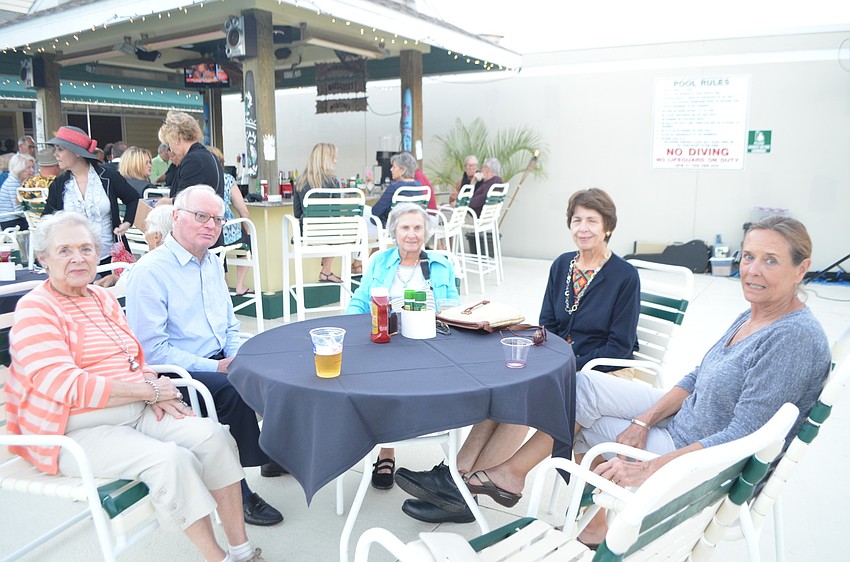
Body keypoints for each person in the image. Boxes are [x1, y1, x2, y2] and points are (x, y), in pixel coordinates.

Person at [398, 216, 832, 541]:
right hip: (686, 419)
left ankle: (515, 491)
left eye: (770, 261)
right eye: (749, 256)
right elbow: (698, 375)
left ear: (802, 268)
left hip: (702, 456)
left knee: (581, 425)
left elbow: (743, 435)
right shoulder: (755, 313)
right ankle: (503, 483)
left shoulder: (793, 339)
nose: (752, 270)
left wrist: (650, 468)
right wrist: (643, 420)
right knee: (575, 389)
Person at [6, 211, 266, 562]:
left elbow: (134, 357)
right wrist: (147, 392)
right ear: (43, 259)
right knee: (170, 460)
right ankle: (217, 558)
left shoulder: (102, 299)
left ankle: (242, 550)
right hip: (74, 429)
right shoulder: (36, 310)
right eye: (64, 250)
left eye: (85, 248)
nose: (78, 258)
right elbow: (64, 384)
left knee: (213, 437)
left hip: (135, 410)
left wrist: (152, 384)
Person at [395, 188, 641, 524]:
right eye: (576, 220)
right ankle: (458, 477)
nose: (582, 228)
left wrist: (566, 364)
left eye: (591, 221)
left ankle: (461, 486)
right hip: (559, 360)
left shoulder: (624, 276)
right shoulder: (562, 265)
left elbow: (620, 347)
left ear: (608, 226)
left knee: (532, 393)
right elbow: (547, 324)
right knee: (509, 384)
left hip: (600, 371)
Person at [125, 184, 284, 527]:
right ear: (176, 216)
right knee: (233, 389)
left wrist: (237, 357)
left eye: (217, 218)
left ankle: (271, 453)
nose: (211, 225)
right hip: (176, 372)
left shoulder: (211, 262)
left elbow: (229, 323)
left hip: (217, 358)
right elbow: (151, 351)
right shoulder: (151, 271)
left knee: (276, 368)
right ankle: (239, 491)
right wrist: (217, 366)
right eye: (201, 216)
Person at [346, 203, 460, 490]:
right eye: (405, 228)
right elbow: (361, 299)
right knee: (379, 377)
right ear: (394, 232)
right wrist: (347, 327)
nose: (411, 234)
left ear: (426, 232)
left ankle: (454, 465)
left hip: (429, 344)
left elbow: (454, 305)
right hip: (388, 341)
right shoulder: (380, 261)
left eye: (417, 228)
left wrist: (447, 314)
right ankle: (387, 451)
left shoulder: (439, 264)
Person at [42, 126, 139, 265]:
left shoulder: (109, 177)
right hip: (74, 261)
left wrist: (127, 223)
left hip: (110, 257)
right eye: (55, 150)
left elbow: (132, 198)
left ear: (77, 153)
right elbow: (47, 218)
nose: (56, 155)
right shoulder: (59, 184)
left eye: (60, 149)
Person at [293, 143, 347, 282]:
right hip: (330, 234)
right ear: (326, 159)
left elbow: (297, 213)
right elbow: (336, 212)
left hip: (308, 234)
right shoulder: (333, 182)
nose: (336, 161)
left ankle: (326, 272)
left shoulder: (300, 181)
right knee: (334, 225)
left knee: (329, 226)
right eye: (334, 157)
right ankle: (326, 270)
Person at [208, 146, 253, 296]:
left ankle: (223, 285)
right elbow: (244, 211)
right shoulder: (227, 179)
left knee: (217, 250)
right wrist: (246, 231)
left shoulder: (199, 181)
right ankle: (240, 286)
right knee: (247, 241)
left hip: (207, 231)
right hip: (227, 229)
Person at [159, 111, 224, 199]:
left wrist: (165, 202)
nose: (171, 149)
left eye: (169, 143)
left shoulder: (192, 161)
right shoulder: (210, 156)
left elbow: (182, 201)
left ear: (177, 138)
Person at [368, 152, 421, 233]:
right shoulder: (419, 185)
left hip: (392, 227)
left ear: (403, 170)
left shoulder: (395, 187)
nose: (391, 169)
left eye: (394, 167)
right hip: (412, 225)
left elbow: (375, 211)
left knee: (364, 215)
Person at [0, 153, 35, 231]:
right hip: (12, 221)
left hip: (16, 219)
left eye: (33, 167)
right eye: (28, 168)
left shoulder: (19, 181)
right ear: (19, 169)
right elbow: (19, 210)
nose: (32, 170)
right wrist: (35, 215)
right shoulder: (14, 182)